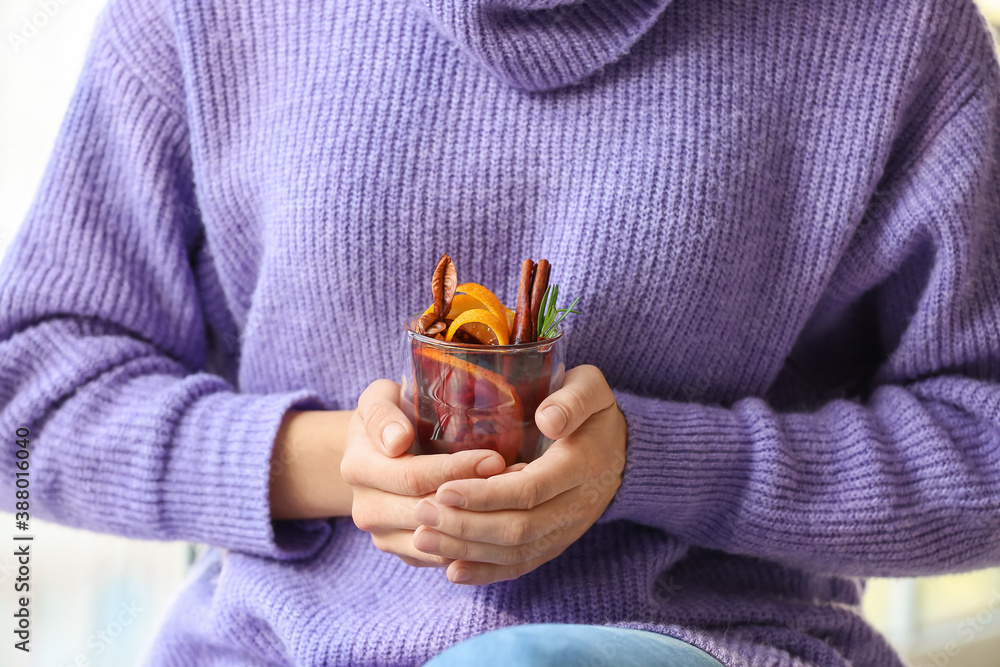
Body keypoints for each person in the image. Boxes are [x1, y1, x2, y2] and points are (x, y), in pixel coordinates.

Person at [2, 0, 999, 664]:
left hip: (707, 641)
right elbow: (32, 392)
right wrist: (323, 463)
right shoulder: (205, 15)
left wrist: (653, 464)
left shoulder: (894, 32)